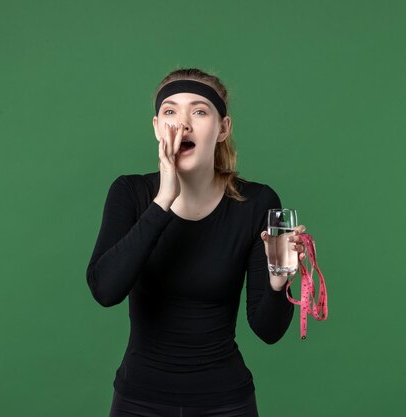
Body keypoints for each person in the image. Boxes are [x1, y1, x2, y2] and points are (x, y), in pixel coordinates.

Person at [87, 68, 307, 417]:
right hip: (138, 400)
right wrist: (163, 201)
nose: (183, 124)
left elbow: (267, 331)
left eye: (200, 111)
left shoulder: (257, 202)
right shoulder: (130, 193)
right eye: (171, 112)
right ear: (157, 127)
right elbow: (105, 291)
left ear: (223, 129)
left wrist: (278, 283)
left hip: (226, 402)